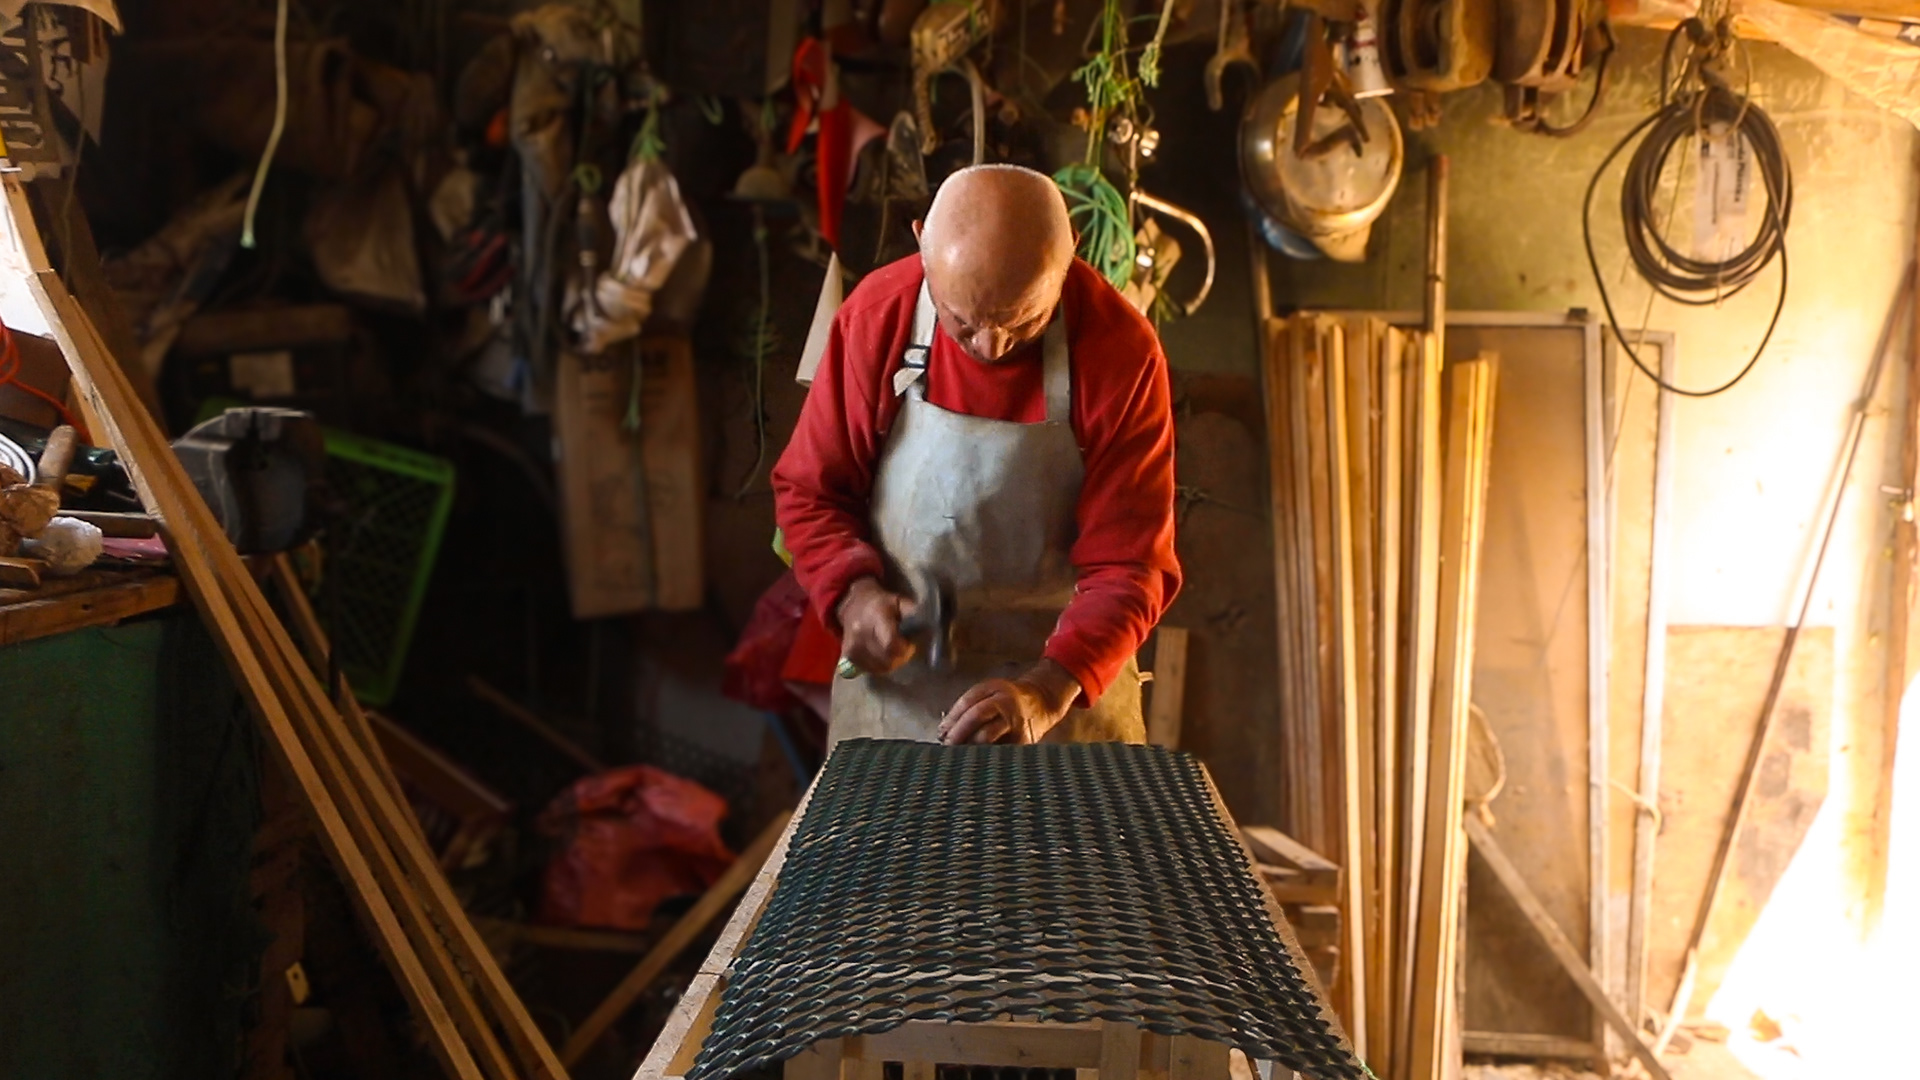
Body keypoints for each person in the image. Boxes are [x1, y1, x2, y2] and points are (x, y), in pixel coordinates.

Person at [771, 163, 1180, 746]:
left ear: (1072, 257)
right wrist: (852, 595)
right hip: (903, 700)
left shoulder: (1122, 352)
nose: (992, 348)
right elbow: (811, 491)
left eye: (1026, 321)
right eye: (962, 321)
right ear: (921, 243)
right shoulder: (875, 317)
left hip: (1063, 700)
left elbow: (1132, 562)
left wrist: (1047, 689)